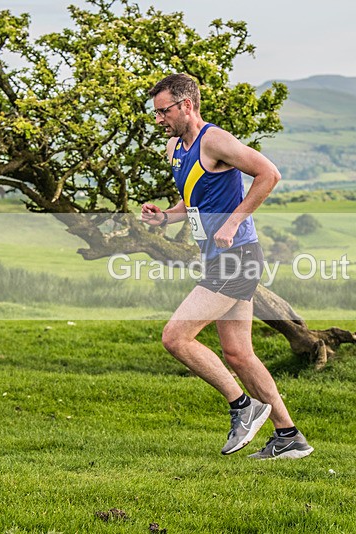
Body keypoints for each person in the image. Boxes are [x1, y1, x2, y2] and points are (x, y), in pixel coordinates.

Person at [141, 73, 313, 460]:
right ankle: (289, 436)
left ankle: (243, 407)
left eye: (163, 111)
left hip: (237, 258)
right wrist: (165, 218)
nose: (159, 120)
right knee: (238, 355)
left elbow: (269, 174)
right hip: (217, 258)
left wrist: (235, 220)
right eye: (155, 113)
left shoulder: (214, 140)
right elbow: (193, 203)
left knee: (175, 337)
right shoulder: (176, 148)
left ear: (186, 105)